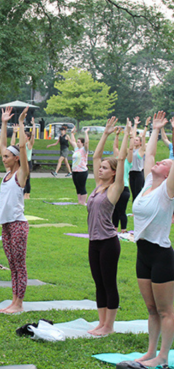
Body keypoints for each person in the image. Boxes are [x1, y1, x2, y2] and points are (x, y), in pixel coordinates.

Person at [132, 111, 174, 368]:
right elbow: (148, 155)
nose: (158, 162)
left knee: (166, 310)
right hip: (142, 253)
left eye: (165, 163)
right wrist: (156, 129)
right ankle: (150, 351)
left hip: (161, 255)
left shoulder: (168, 191)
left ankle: (163, 356)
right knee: (150, 309)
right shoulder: (149, 182)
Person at [87, 117, 130, 336]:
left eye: (105, 168)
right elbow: (95, 156)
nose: (101, 169)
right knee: (98, 283)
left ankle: (109, 327)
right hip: (94, 242)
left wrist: (126, 137)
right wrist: (105, 133)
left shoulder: (114, 189)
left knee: (108, 282)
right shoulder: (97, 187)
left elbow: (121, 160)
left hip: (108, 243)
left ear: (113, 172)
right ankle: (101, 323)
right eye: (100, 167)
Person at [0, 107, 30, 314]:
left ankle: (19, 303)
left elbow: (23, 151)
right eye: (4, 156)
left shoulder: (20, 175)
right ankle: (13, 300)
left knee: (19, 264)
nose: (4, 158)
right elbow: (1, 146)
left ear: (16, 158)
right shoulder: (6, 175)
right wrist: (3, 123)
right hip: (6, 224)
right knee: (11, 264)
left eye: (8, 156)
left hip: (18, 224)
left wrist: (20, 124)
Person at [112, 127, 133, 232]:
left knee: (122, 211)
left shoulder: (128, 161)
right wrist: (117, 135)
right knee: (114, 210)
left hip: (124, 188)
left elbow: (130, 149)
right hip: (115, 187)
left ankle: (123, 230)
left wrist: (130, 137)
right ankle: (114, 229)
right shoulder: (116, 160)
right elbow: (115, 147)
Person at [69, 127, 89, 205]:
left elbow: (87, 143)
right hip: (75, 171)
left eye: (79, 142)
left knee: (82, 186)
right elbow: (73, 141)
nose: (77, 143)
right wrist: (71, 133)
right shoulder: (76, 149)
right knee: (77, 186)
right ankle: (79, 201)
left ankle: (83, 202)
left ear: (82, 143)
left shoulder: (84, 150)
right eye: (77, 142)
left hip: (82, 171)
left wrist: (86, 133)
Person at [130, 116, 148, 202]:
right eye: (135, 140)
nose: (135, 141)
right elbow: (132, 136)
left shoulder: (141, 150)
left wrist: (146, 125)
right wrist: (135, 125)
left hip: (139, 173)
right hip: (131, 173)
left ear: (140, 143)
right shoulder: (131, 149)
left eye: (137, 140)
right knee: (133, 193)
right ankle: (134, 211)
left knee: (138, 192)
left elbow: (143, 136)